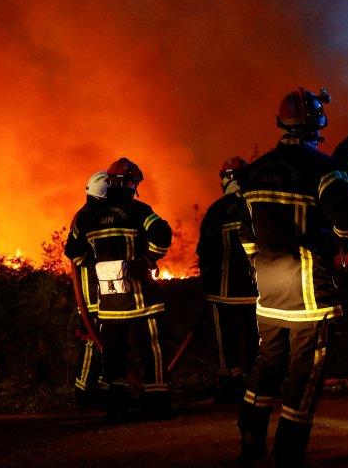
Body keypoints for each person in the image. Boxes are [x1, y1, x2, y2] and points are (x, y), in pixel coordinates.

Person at [236, 87, 348, 468]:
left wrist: (262, 262)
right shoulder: (324, 170)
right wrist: (338, 243)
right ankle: (289, 456)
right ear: (317, 125)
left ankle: (251, 443)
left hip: (268, 292)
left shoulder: (252, 172)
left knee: (267, 364)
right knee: (305, 373)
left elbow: (246, 234)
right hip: (309, 294)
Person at [64, 157, 175, 420]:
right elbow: (162, 233)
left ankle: (115, 404)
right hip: (142, 298)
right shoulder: (138, 210)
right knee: (153, 346)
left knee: (113, 352)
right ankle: (156, 400)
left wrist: (96, 265)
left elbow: (73, 252)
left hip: (110, 301)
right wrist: (148, 259)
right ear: (131, 183)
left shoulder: (88, 216)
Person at [196, 157, 258, 403]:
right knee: (255, 335)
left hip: (224, 291)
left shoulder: (216, 210)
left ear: (225, 179)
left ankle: (230, 382)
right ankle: (257, 381)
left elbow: (205, 251)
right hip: (257, 288)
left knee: (227, 339)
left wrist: (207, 284)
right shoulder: (257, 205)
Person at [71, 171, 109, 407]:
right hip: (93, 294)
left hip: (104, 293)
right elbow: (75, 254)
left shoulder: (90, 214)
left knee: (106, 342)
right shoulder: (87, 217)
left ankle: (105, 388)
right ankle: (84, 392)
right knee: (91, 341)